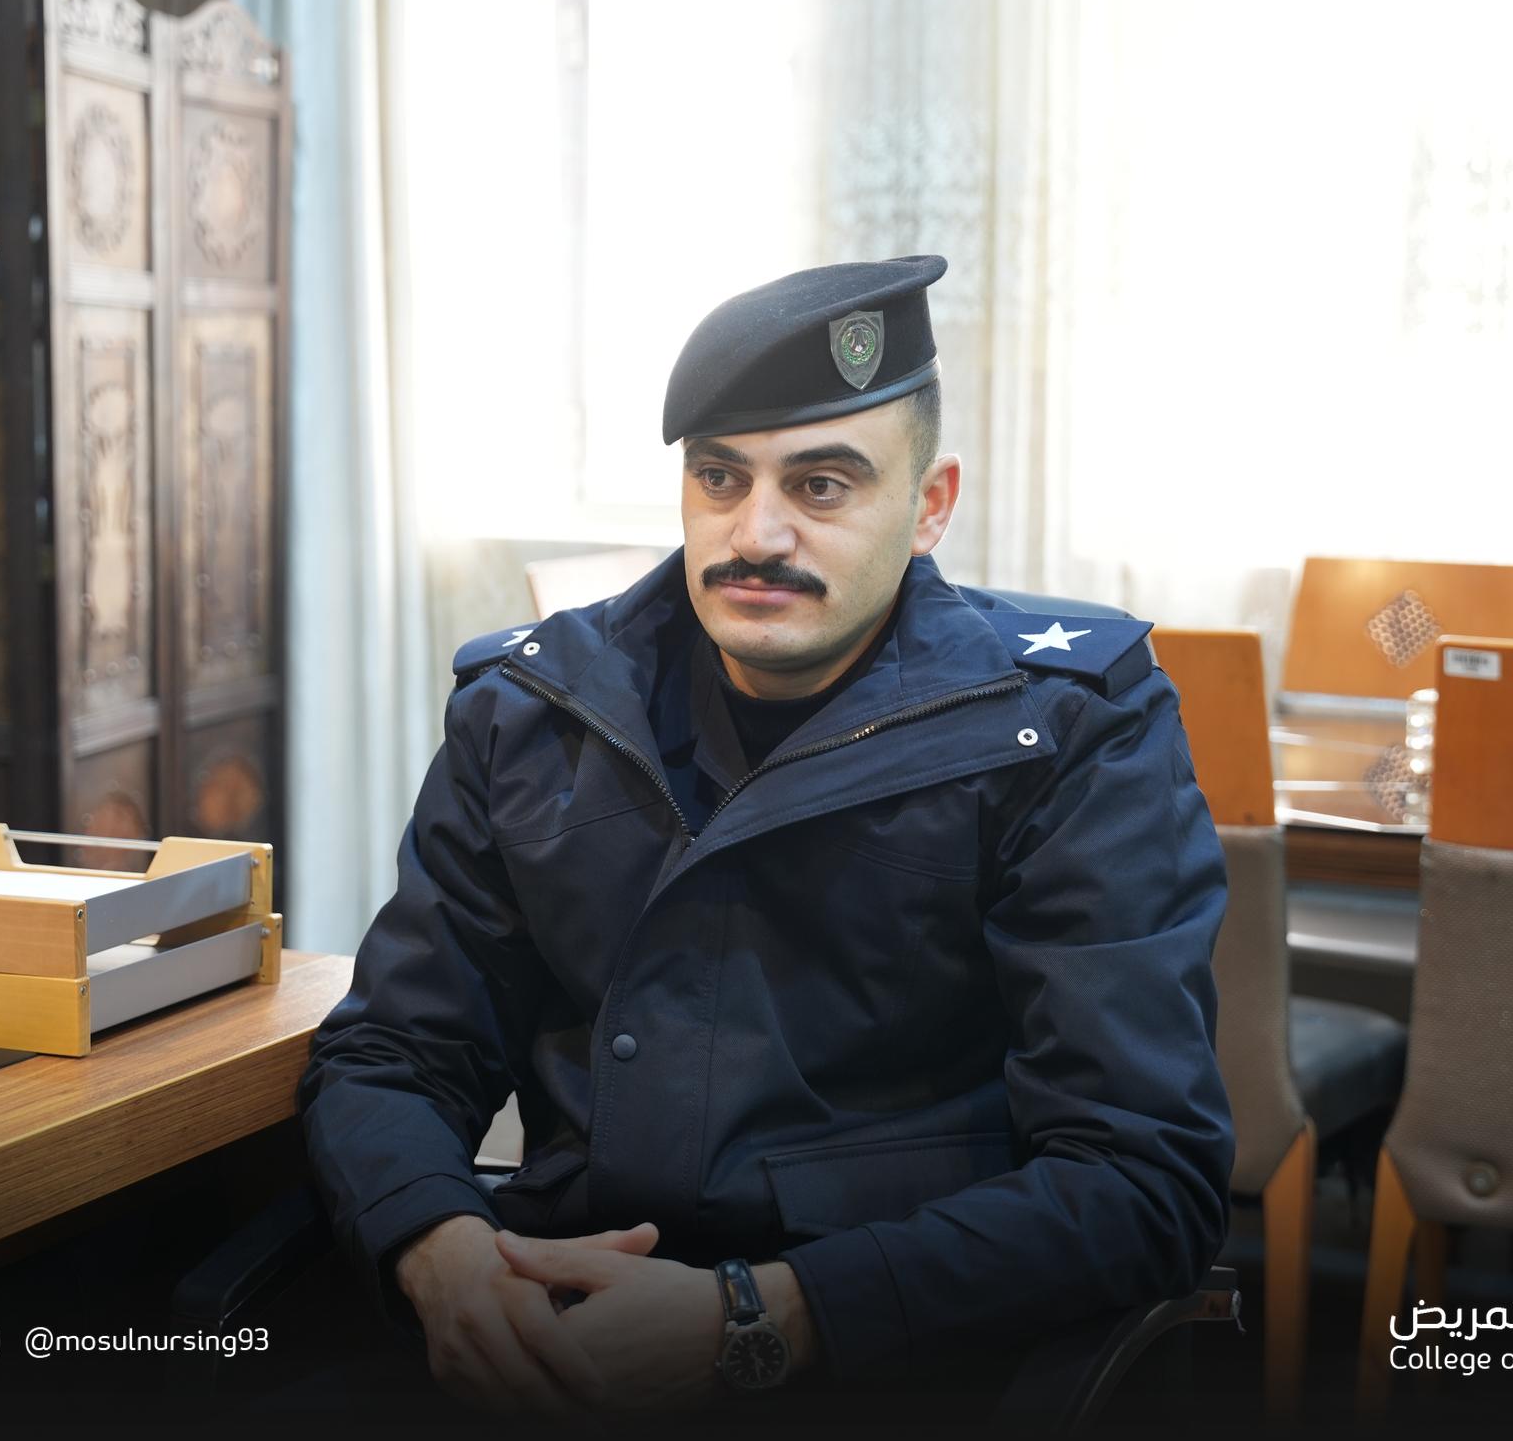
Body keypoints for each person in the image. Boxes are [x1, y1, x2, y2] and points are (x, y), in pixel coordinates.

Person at [299, 254, 1232, 1414]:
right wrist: (439, 1255)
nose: (757, 533)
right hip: (548, 1328)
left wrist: (759, 1319)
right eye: (720, 478)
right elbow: (395, 1053)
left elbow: (1142, 1177)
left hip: (886, 1356)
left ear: (931, 506)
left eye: (823, 486)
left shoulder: (1065, 731)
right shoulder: (534, 710)